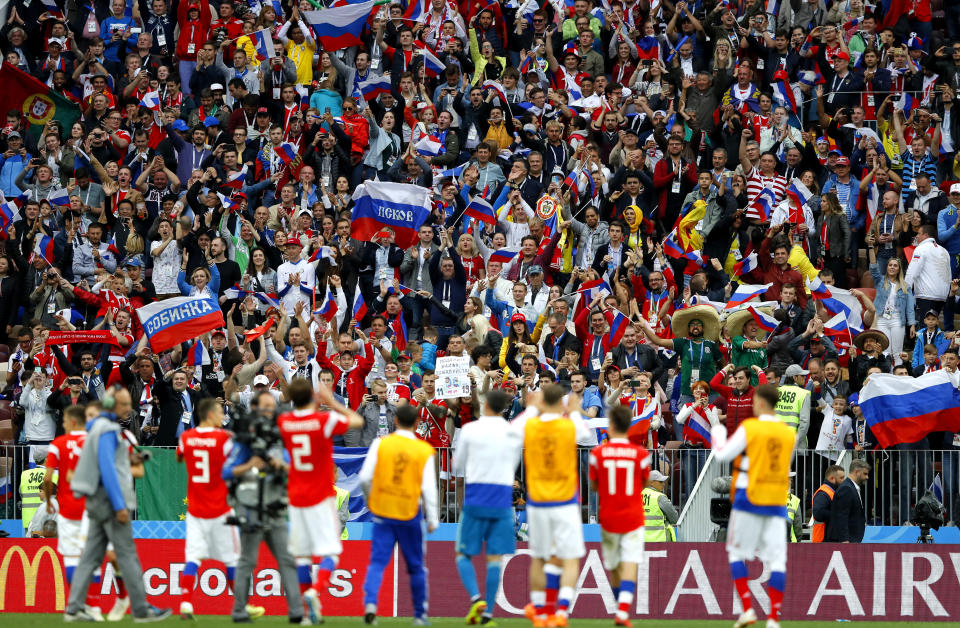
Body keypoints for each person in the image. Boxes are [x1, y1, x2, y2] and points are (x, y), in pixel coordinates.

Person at [64, 386, 171, 622]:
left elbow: (109, 462)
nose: (128, 409)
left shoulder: (97, 428)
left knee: (90, 556)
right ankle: (141, 609)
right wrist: (119, 504)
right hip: (109, 502)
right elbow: (108, 469)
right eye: (124, 404)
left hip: (97, 500)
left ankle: (73, 608)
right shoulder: (107, 429)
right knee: (128, 555)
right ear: (113, 406)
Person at [277, 378, 363, 623]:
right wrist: (332, 402)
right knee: (331, 552)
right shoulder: (323, 420)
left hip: (296, 497)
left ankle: (305, 614)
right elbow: (357, 421)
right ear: (313, 398)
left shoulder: (284, 422)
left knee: (302, 556)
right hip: (322, 497)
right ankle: (316, 591)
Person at [712, 384, 794, 628]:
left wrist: (717, 432)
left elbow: (722, 455)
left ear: (759, 402)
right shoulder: (788, 433)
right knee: (777, 560)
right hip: (777, 501)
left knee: (737, 553)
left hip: (749, 497)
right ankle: (774, 619)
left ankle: (747, 609)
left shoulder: (751, 427)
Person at [222, 390, 305, 624]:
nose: (269, 412)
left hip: (275, 505)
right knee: (248, 560)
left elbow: (293, 469)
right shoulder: (245, 441)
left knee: (286, 558)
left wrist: (281, 465)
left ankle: (296, 612)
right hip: (250, 506)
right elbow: (226, 471)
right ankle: (239, 610)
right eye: (264, 408)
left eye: (272, 408)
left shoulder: (280, 439)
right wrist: (250, 464)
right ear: (255, 409)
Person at [514, 384, 592, 627]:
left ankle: (538, 611)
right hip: (566, 501)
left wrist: (531, 408)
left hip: (537, 502)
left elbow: (511, 431)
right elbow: (586, 434)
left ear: (541, 401)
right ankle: (561, 611)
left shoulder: (530, 425)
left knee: (539, 557)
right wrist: (576, 409)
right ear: (561, 403)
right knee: (569, 558)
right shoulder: (569, 425)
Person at [360, 404, 439, 626]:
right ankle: (419, 615)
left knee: (377, 562)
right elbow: (429, 488)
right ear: (416, 423)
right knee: (415, 565)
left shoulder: (380, 444)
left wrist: (371, 501)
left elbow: (365, 477)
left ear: (395, 421)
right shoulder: (424, 450)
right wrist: (433, 519)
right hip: (409, 513)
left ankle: (370, 604)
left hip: (383, 510)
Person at [453, 390, 522, 625]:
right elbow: (514, 463)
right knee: (494, 559)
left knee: (463, 554)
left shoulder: (472, 429)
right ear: (503, 408)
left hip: (476, 495)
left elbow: (457, 464)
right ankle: (489, 613)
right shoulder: (512, 431)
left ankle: (475, 599)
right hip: (501, 498)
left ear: (485, 406)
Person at [175, 398, 248, 620]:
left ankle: (186, 602)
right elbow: (236, 461)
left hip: (196, 510)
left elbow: (179, 457)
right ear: (209, 414)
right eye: (219, 412)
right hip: (221, 509)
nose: (223, 416)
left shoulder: (186, 438)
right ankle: (240, 607)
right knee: (232, 559)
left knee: (193, 559)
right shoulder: (224, 438)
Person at [589, 405, 652, 627]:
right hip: (633, 516)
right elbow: (644, 483)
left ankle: (620, 608)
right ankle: (623, 611)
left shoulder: (597, 453)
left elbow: (594, 486)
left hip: (609, 517)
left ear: (611, 425)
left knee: (615, 565)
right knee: (631, 561)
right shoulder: (641, 454)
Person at [825, 459, 870, 543]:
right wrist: (844, 540)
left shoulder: (851, 487)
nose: (867, 477)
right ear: (856, 472)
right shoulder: (846, 488)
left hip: (851, 539)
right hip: (845, 541)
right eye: (865, 474)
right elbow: (842, 516)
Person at [810, 464, 845, 543]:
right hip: (823, 540)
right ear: (832, 478)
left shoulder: (832, 491)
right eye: (841, 478)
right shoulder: (823, 493)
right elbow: (818, 513)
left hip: (829, 538)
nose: (843, 480)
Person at [642, 469, 677, 543]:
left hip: (641, 541)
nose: (663, 484)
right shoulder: (660, 497)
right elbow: (674, 518)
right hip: (659, 540)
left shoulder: (637, 496)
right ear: (651, 483)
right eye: (660, 482)